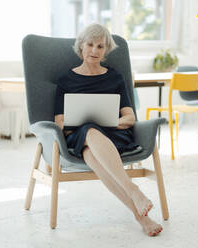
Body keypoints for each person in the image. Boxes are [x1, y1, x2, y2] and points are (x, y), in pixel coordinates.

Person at [53, 23, 163, 236]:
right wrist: (87, 124)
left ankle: (141, 216)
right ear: (81, 46)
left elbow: (130, 117)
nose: (94, 50)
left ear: (106, 50)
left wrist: (109, 122)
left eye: (100, 46)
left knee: (92, 156)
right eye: (90, 44)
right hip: (80, 136)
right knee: (90, 132)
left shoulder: (115, 77)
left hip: (113, 135)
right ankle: (134, 191)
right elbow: (59, 122)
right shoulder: (66, 80)